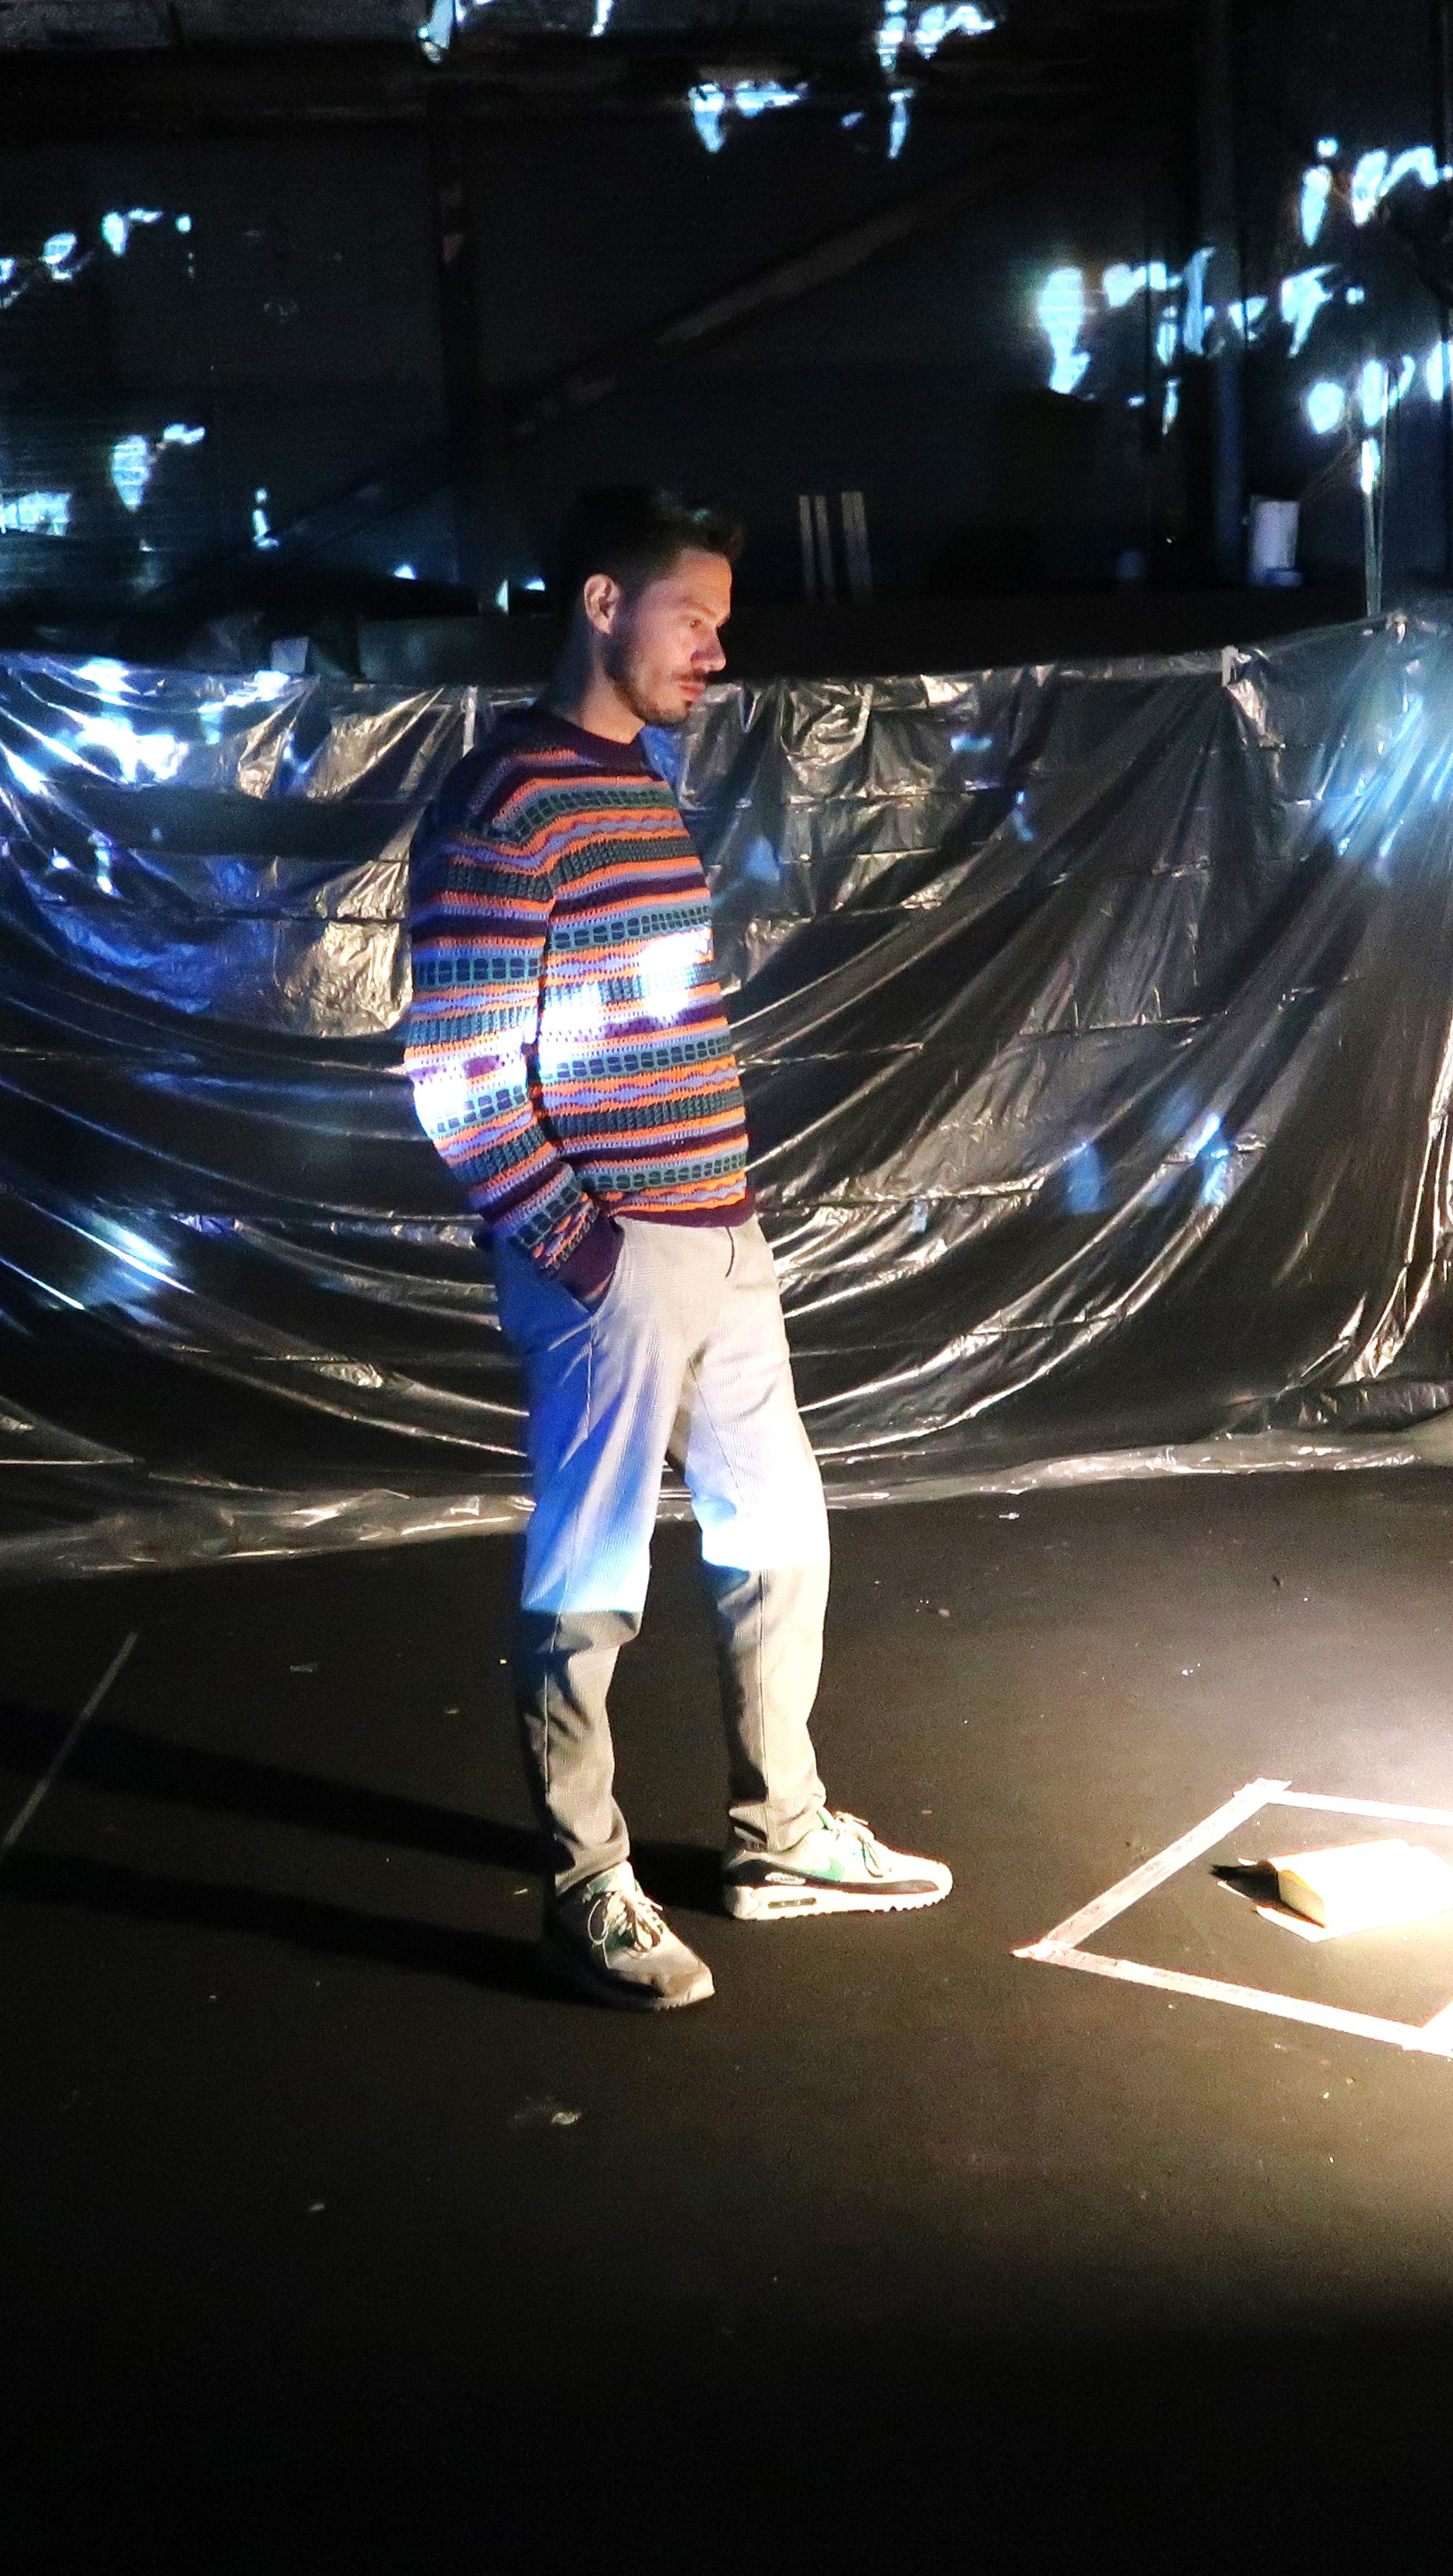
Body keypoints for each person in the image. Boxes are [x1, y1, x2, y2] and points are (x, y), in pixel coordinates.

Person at [400, 487, 950, 2011]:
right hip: (618, 1259)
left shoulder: (636, 780)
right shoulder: (505, 798)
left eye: (721, 619)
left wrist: (710, 1217)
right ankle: (586, 1887)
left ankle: (780, 1840)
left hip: (721, 1233)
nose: (718, 646)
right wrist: (586, 1250)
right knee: (592, 1580)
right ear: (599, 605)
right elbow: (456, 1065)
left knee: (780, 1536)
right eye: (692, 616)